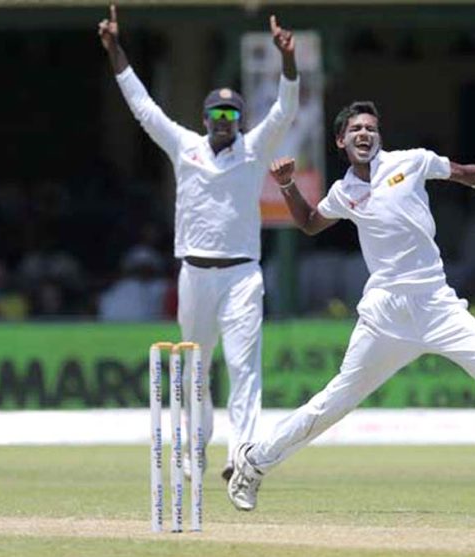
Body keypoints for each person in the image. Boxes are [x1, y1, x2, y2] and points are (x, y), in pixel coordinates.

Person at [226, 101, 475, 514]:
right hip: (386, 316)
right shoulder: (343, 192)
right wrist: (287, 185)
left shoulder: (411, 162)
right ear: (341, 140)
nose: (364, 134)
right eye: (355, 128)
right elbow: (308, 224)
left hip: (437, 304)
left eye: (370, 128)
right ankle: (254, 462)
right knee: (333, 403)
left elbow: (467, 174)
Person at [98, 4, 299, 479]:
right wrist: (114, 49)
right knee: (195, 367)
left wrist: (287, 61)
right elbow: (143, 107)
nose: (224, 119)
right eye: (216, 112)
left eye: (232, 112)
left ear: (240, 119)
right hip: (194, 273)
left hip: (243, 273)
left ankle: (242, 454)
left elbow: (286, 109)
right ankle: (196, 447)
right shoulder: (183, 144)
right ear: (205, 118)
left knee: (245, 367)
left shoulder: (254, 148)